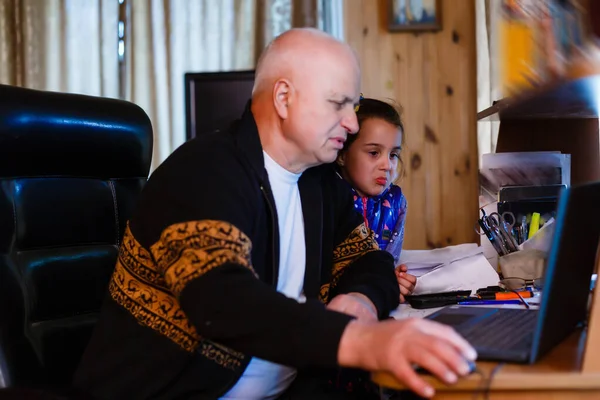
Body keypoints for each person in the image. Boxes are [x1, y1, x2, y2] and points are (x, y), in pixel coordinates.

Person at [73, 28, 476, 400]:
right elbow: (222, 302)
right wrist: (360, 341)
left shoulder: (319, 181)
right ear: (283, 98)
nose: (352, 123)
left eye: (353, 106)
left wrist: (362, 300)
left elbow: (369, 258)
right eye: (338, 104)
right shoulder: (205, 171)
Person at [336, 97, 416, 303]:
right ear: (342, 154)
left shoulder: (396, 203)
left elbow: (388, 263)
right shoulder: (327, 200)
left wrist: (396, 280)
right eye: (374, 153)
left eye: (393, 155)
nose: (387, 165)